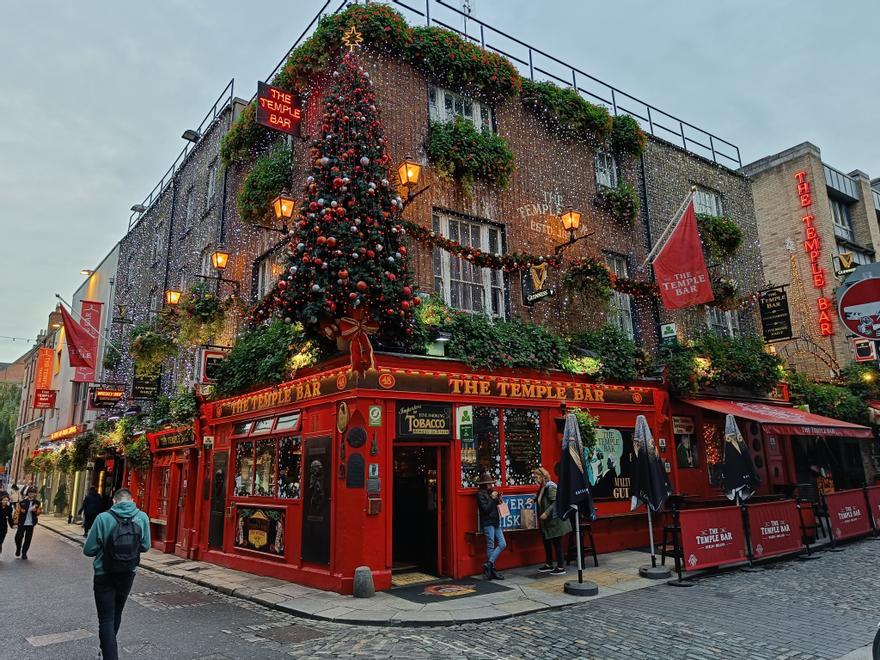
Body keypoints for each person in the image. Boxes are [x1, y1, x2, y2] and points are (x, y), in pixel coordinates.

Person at [83, 488, 150, 660]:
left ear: (114, 501)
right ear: (132, 500)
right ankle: (106, 649)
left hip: (104, 573)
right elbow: (145, 546)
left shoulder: (103, 518)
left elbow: (88, 550)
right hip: (127, 572)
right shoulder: (142, 517)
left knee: (105, 619)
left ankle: (108, 653)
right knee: (117, 613)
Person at [533, 466, 571, 575]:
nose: (535, 479)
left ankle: (560, 567)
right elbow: (541, 498)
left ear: (542, 476)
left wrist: (546, 512)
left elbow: (556, 502)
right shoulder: (543, 486)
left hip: (555, 521)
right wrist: (534, 500)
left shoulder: (551, 487)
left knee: (557, 543)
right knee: (546, 542)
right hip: (547, 523)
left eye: (536, 476)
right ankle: (549, 564)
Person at [475, 471, 506, 580]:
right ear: (484, 484)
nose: (491, 485)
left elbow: (496, 505)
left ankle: (489, 563)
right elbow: (485, 509)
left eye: (491, 483)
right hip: (488, 523)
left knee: (503, 543)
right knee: (490, 545)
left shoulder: (491, 492)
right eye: (489, 483)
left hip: (496, 522)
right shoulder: (480, 495)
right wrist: (492, 499)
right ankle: (492, 570)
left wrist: (498, 498)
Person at [13, 487, 42, 560]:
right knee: (18, 537)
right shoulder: (22, 502)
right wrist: (15, 522)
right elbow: (17, 512)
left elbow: (39, 512)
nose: (31, 494)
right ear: (28, 493)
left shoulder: (37, 503)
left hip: (31, 524)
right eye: (29, 492)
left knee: (28, 539)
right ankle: (18, 549)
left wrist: (36, 511)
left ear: (35, 494)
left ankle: (24, 553)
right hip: (22, 523)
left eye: (32, 492)